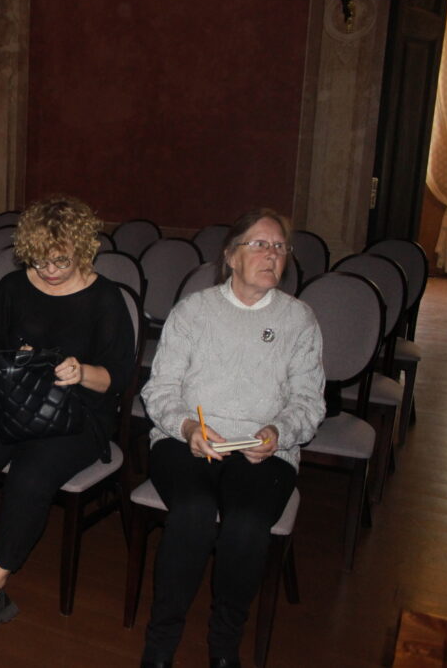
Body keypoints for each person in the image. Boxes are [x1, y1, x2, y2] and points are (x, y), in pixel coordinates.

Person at [0, 196, 136, 652]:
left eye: (61, 261)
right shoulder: (13, 287)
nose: (49, 270)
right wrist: (8, 362)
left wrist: (79, 371)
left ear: (82, 251)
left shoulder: (104, 297)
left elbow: (117, 378)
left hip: (78, 415)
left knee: (30, 476)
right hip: (14, 403)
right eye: (41, 260)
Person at [138, 210, 325, 668]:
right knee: (193, 512)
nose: (271, 254)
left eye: (279, 247)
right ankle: (160, 643)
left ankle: (224, 645)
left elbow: (309, 401)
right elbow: (159, 390)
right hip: (185, 441)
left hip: (266, 451)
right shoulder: (193, 311)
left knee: (246, 522)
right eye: (259, 244)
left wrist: (279, 432)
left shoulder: (298, 319)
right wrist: (187, 427)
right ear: (231, 256)